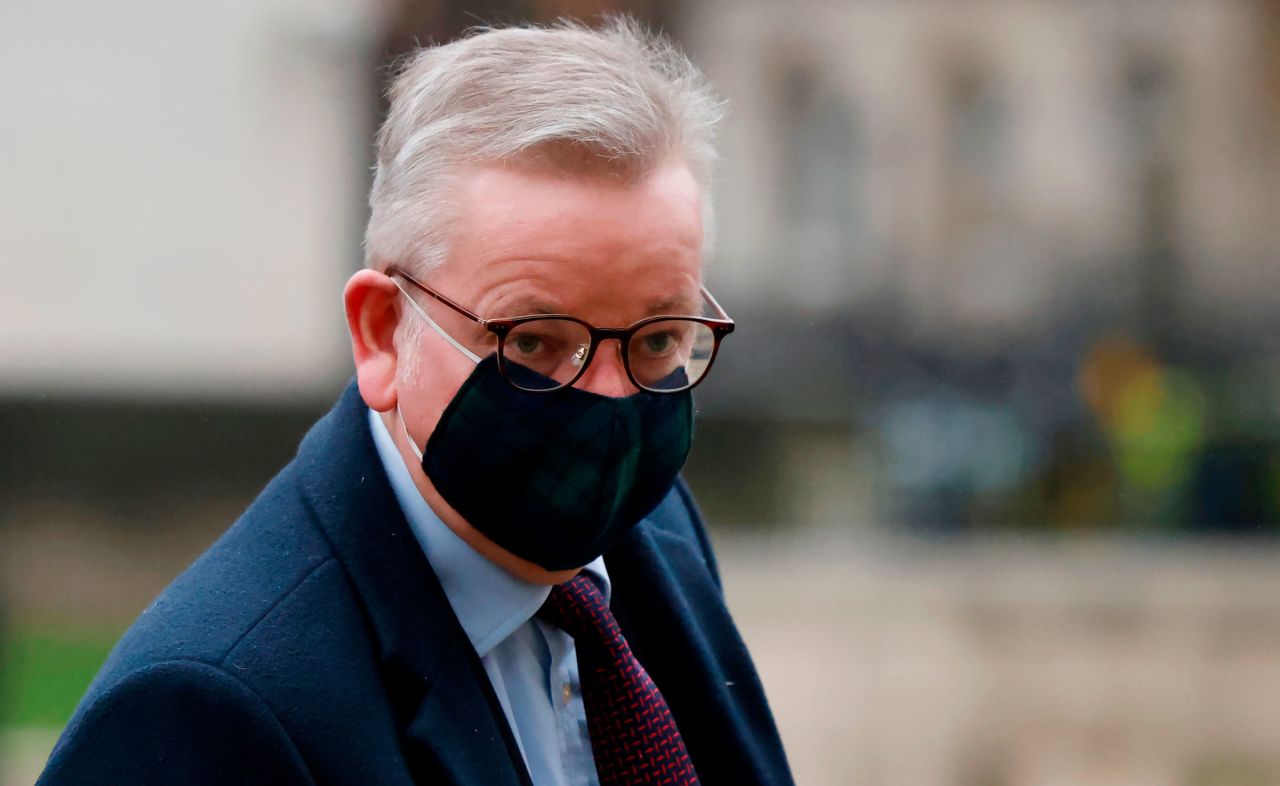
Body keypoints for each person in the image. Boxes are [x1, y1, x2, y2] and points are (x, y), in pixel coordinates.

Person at [37, 19, 793, 786]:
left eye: (658, 339)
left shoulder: (654, 532)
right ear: (381, 332)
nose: (610, 398)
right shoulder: (202, 714)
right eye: (533, 341)